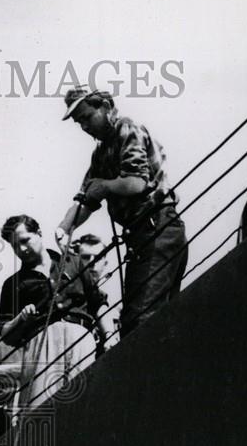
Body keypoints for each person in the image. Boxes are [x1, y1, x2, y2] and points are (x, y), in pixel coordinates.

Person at [57, 87, 188, 337]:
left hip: (158, 228)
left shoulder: (127, 129)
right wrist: (64, 227)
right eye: (79, 122)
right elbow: (86, 199)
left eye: (86, 117)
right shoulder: (100, 154)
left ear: (105, 106)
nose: (84, 126)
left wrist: (105, 186)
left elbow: (137, 182)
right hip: (143, 237)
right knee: (151, 318)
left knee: (140, 319)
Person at [0, 215, 112, 408]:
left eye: (25, 241)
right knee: (41, 409)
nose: (22, 250)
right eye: (15, 246)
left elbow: (97, 302)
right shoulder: (13, 284)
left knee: (83, 404)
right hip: (42, 345)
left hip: (81, 338)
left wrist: (109, 335)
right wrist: (21, 318)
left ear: (39, 234)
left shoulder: (73, 262)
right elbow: (6, 334)